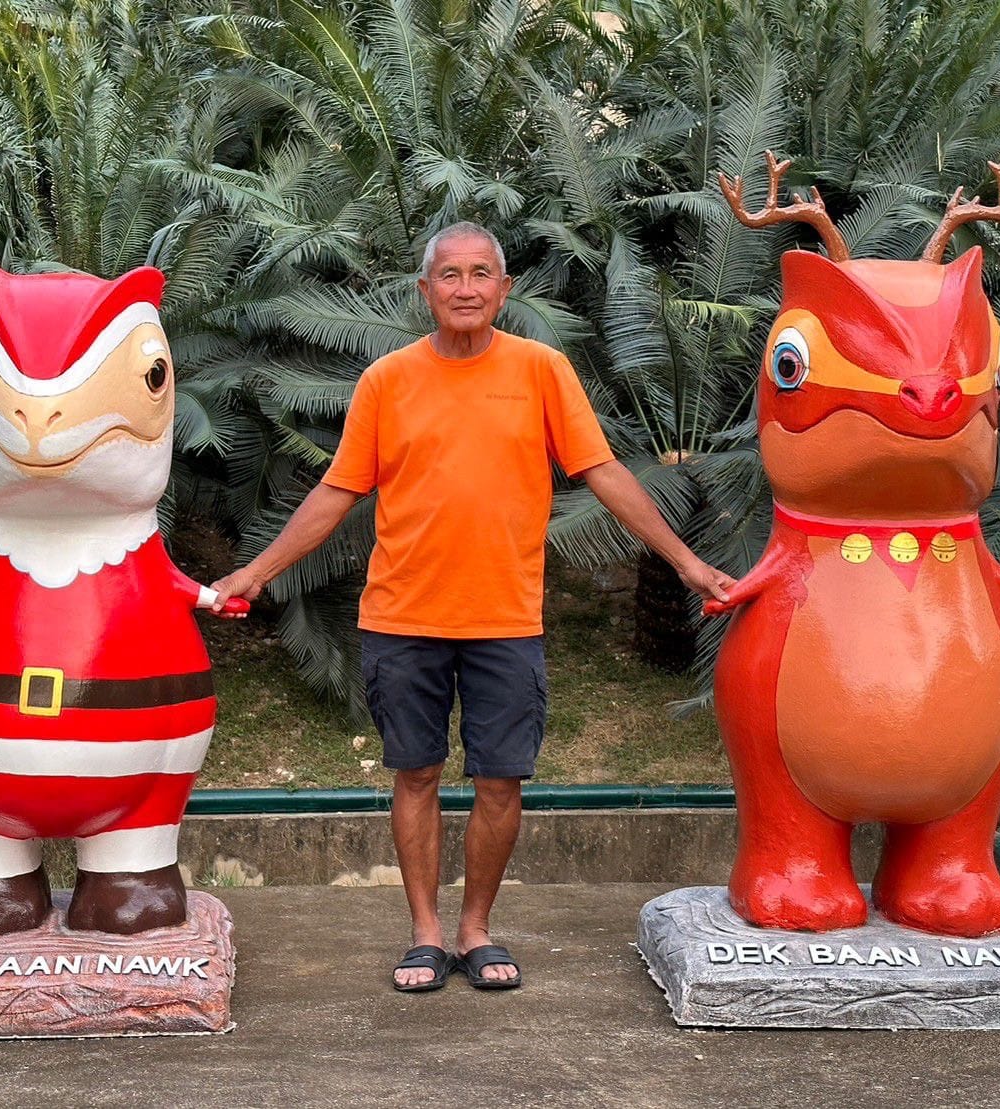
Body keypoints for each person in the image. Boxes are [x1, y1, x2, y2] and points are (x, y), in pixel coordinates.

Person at [211, 222, 734, 991]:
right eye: (449, 275)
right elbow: (335, 491)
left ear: (503, 288)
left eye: (480, 273)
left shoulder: (541, 370)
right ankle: (425, 934)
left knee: (500, 782)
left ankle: (476, 930)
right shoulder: (386, 380)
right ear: (424, 290)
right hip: (401, 617)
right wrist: (255, 572)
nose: (464, 288)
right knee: (415, 773)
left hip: (504, 620)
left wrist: (686, 562)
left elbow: (604, 473)